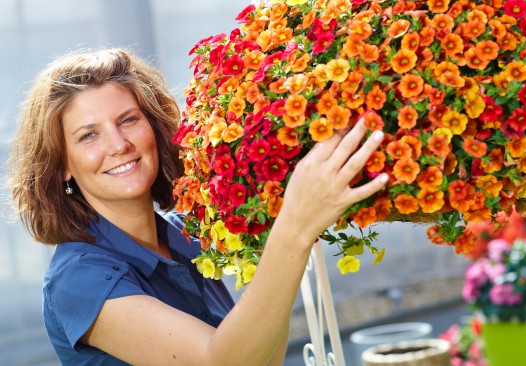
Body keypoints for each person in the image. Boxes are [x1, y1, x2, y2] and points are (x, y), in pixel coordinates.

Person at [8, 48, 388, 365]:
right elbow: (218, 361)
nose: (118, 144)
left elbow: (259, 357)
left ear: (153, 128)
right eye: (88, 135)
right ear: (62, 167)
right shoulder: (79, 278)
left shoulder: (186, 236)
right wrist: (294, 227)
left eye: (129, 120)